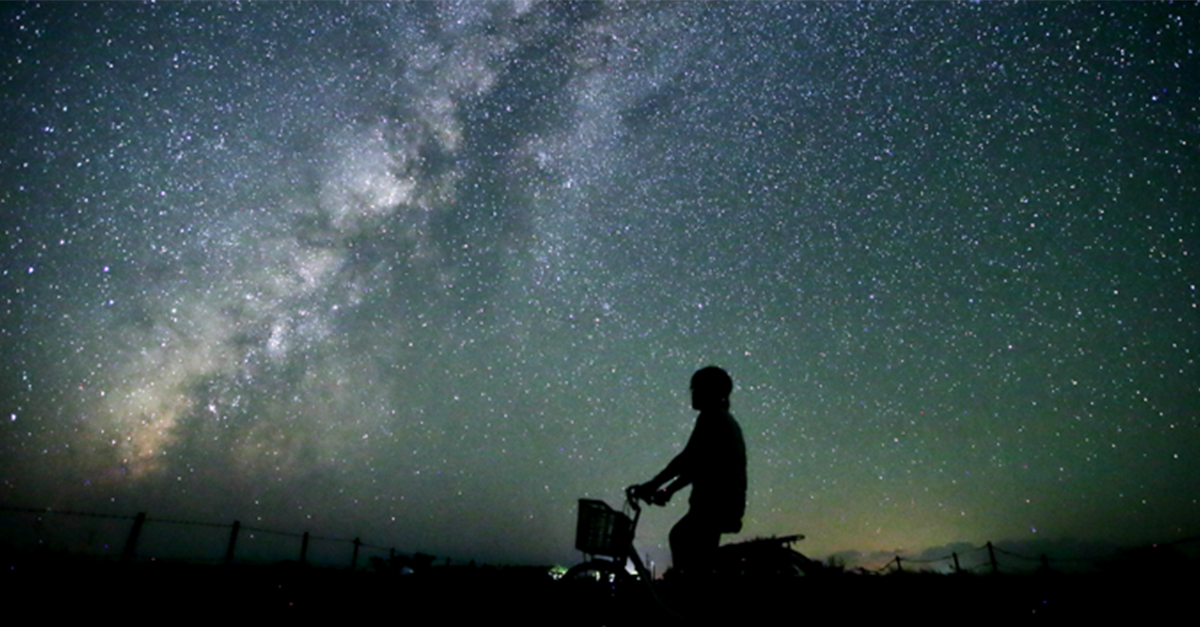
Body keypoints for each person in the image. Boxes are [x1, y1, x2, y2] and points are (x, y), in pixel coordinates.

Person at [633, 366, 746, 574]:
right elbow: (699, 465)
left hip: (715, 503)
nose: (692, 393)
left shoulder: (711, 417)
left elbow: (687, 459)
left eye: (696, 388)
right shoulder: (721, 418)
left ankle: (688, 598)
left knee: (680, 537)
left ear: (709, 391)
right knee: (695, 550)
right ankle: (692, 597)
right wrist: (668, 491)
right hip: (723, 501)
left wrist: (653, 484)